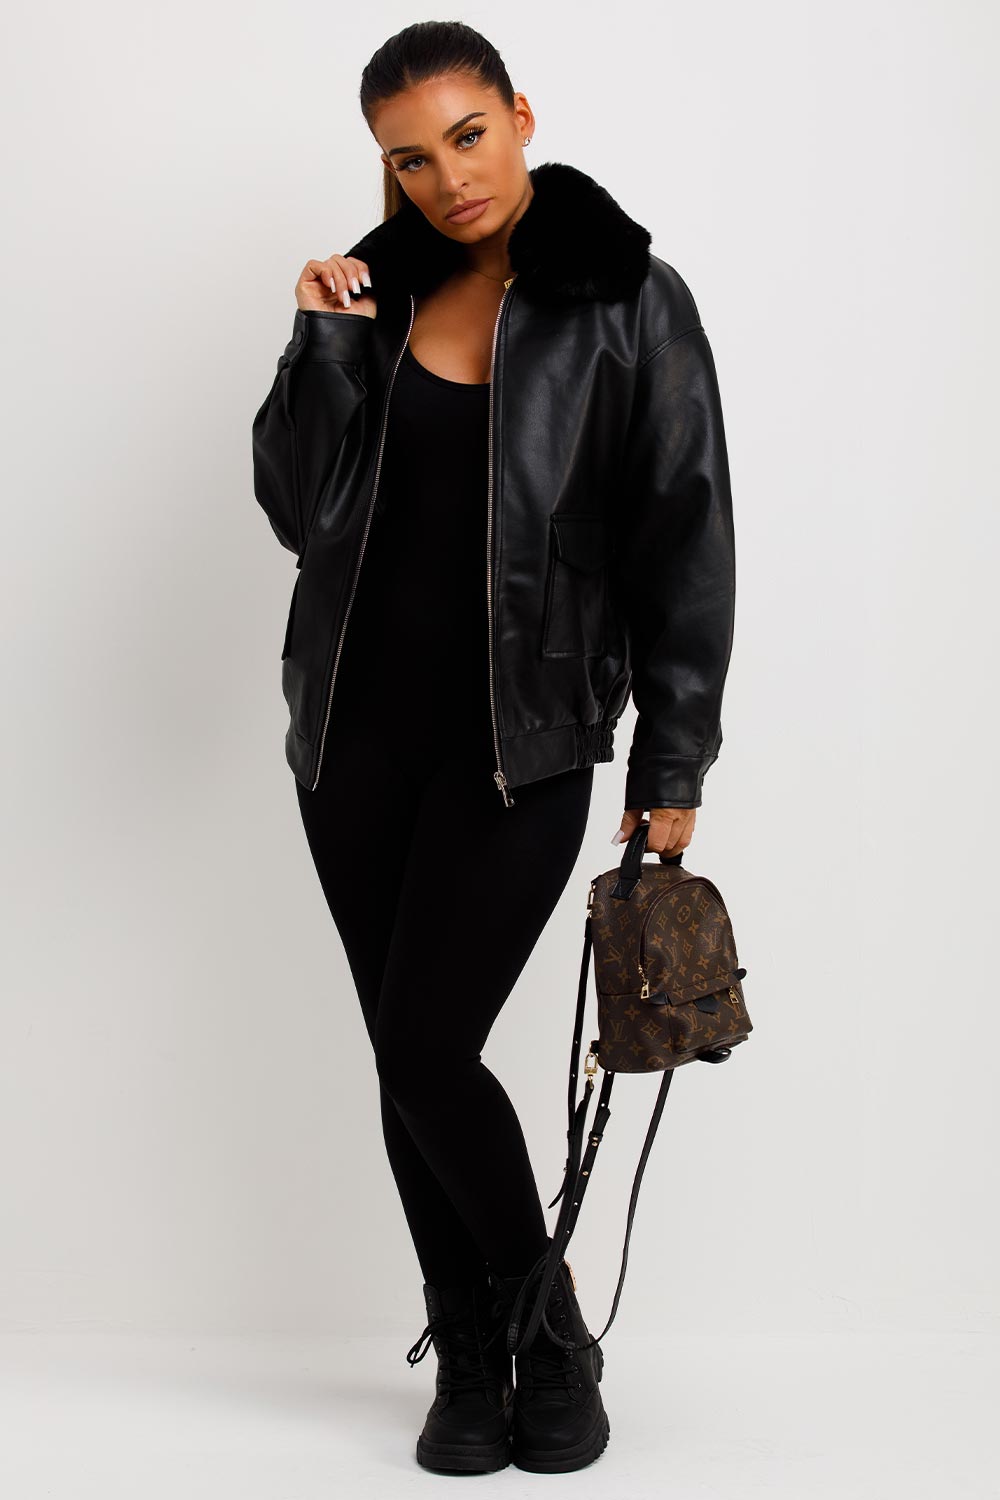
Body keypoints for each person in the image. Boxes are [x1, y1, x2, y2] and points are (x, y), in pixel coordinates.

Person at [251, 19, 736, 1477]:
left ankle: (551, 1332)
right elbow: (293, 509)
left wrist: (673, 768)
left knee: (423, 1044)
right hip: (351, 742)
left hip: (523, 745)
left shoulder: (629, 302)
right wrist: (323, 341)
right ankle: (471, 1354)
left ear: (520, 116)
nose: (448, 177)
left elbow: (686, 537)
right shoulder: (374, 295)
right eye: (410, 157)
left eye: (468, 136)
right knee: (408, 1062)